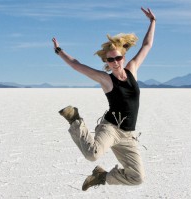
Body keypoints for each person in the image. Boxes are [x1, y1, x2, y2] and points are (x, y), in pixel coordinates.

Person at [52, 7, 156, 191]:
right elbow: (77, 65)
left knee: (137, 177)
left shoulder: (132, 69)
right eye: (111, 60)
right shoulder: (106, 79)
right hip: (111, 128)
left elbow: (146, 46)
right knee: (92, 154)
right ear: (106, 63)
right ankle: (75, 119)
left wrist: (152, 22)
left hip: (128, 135)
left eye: (118, 58)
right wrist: (59, 51)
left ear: (123, 57)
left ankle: (101, 176)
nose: (115, 62)